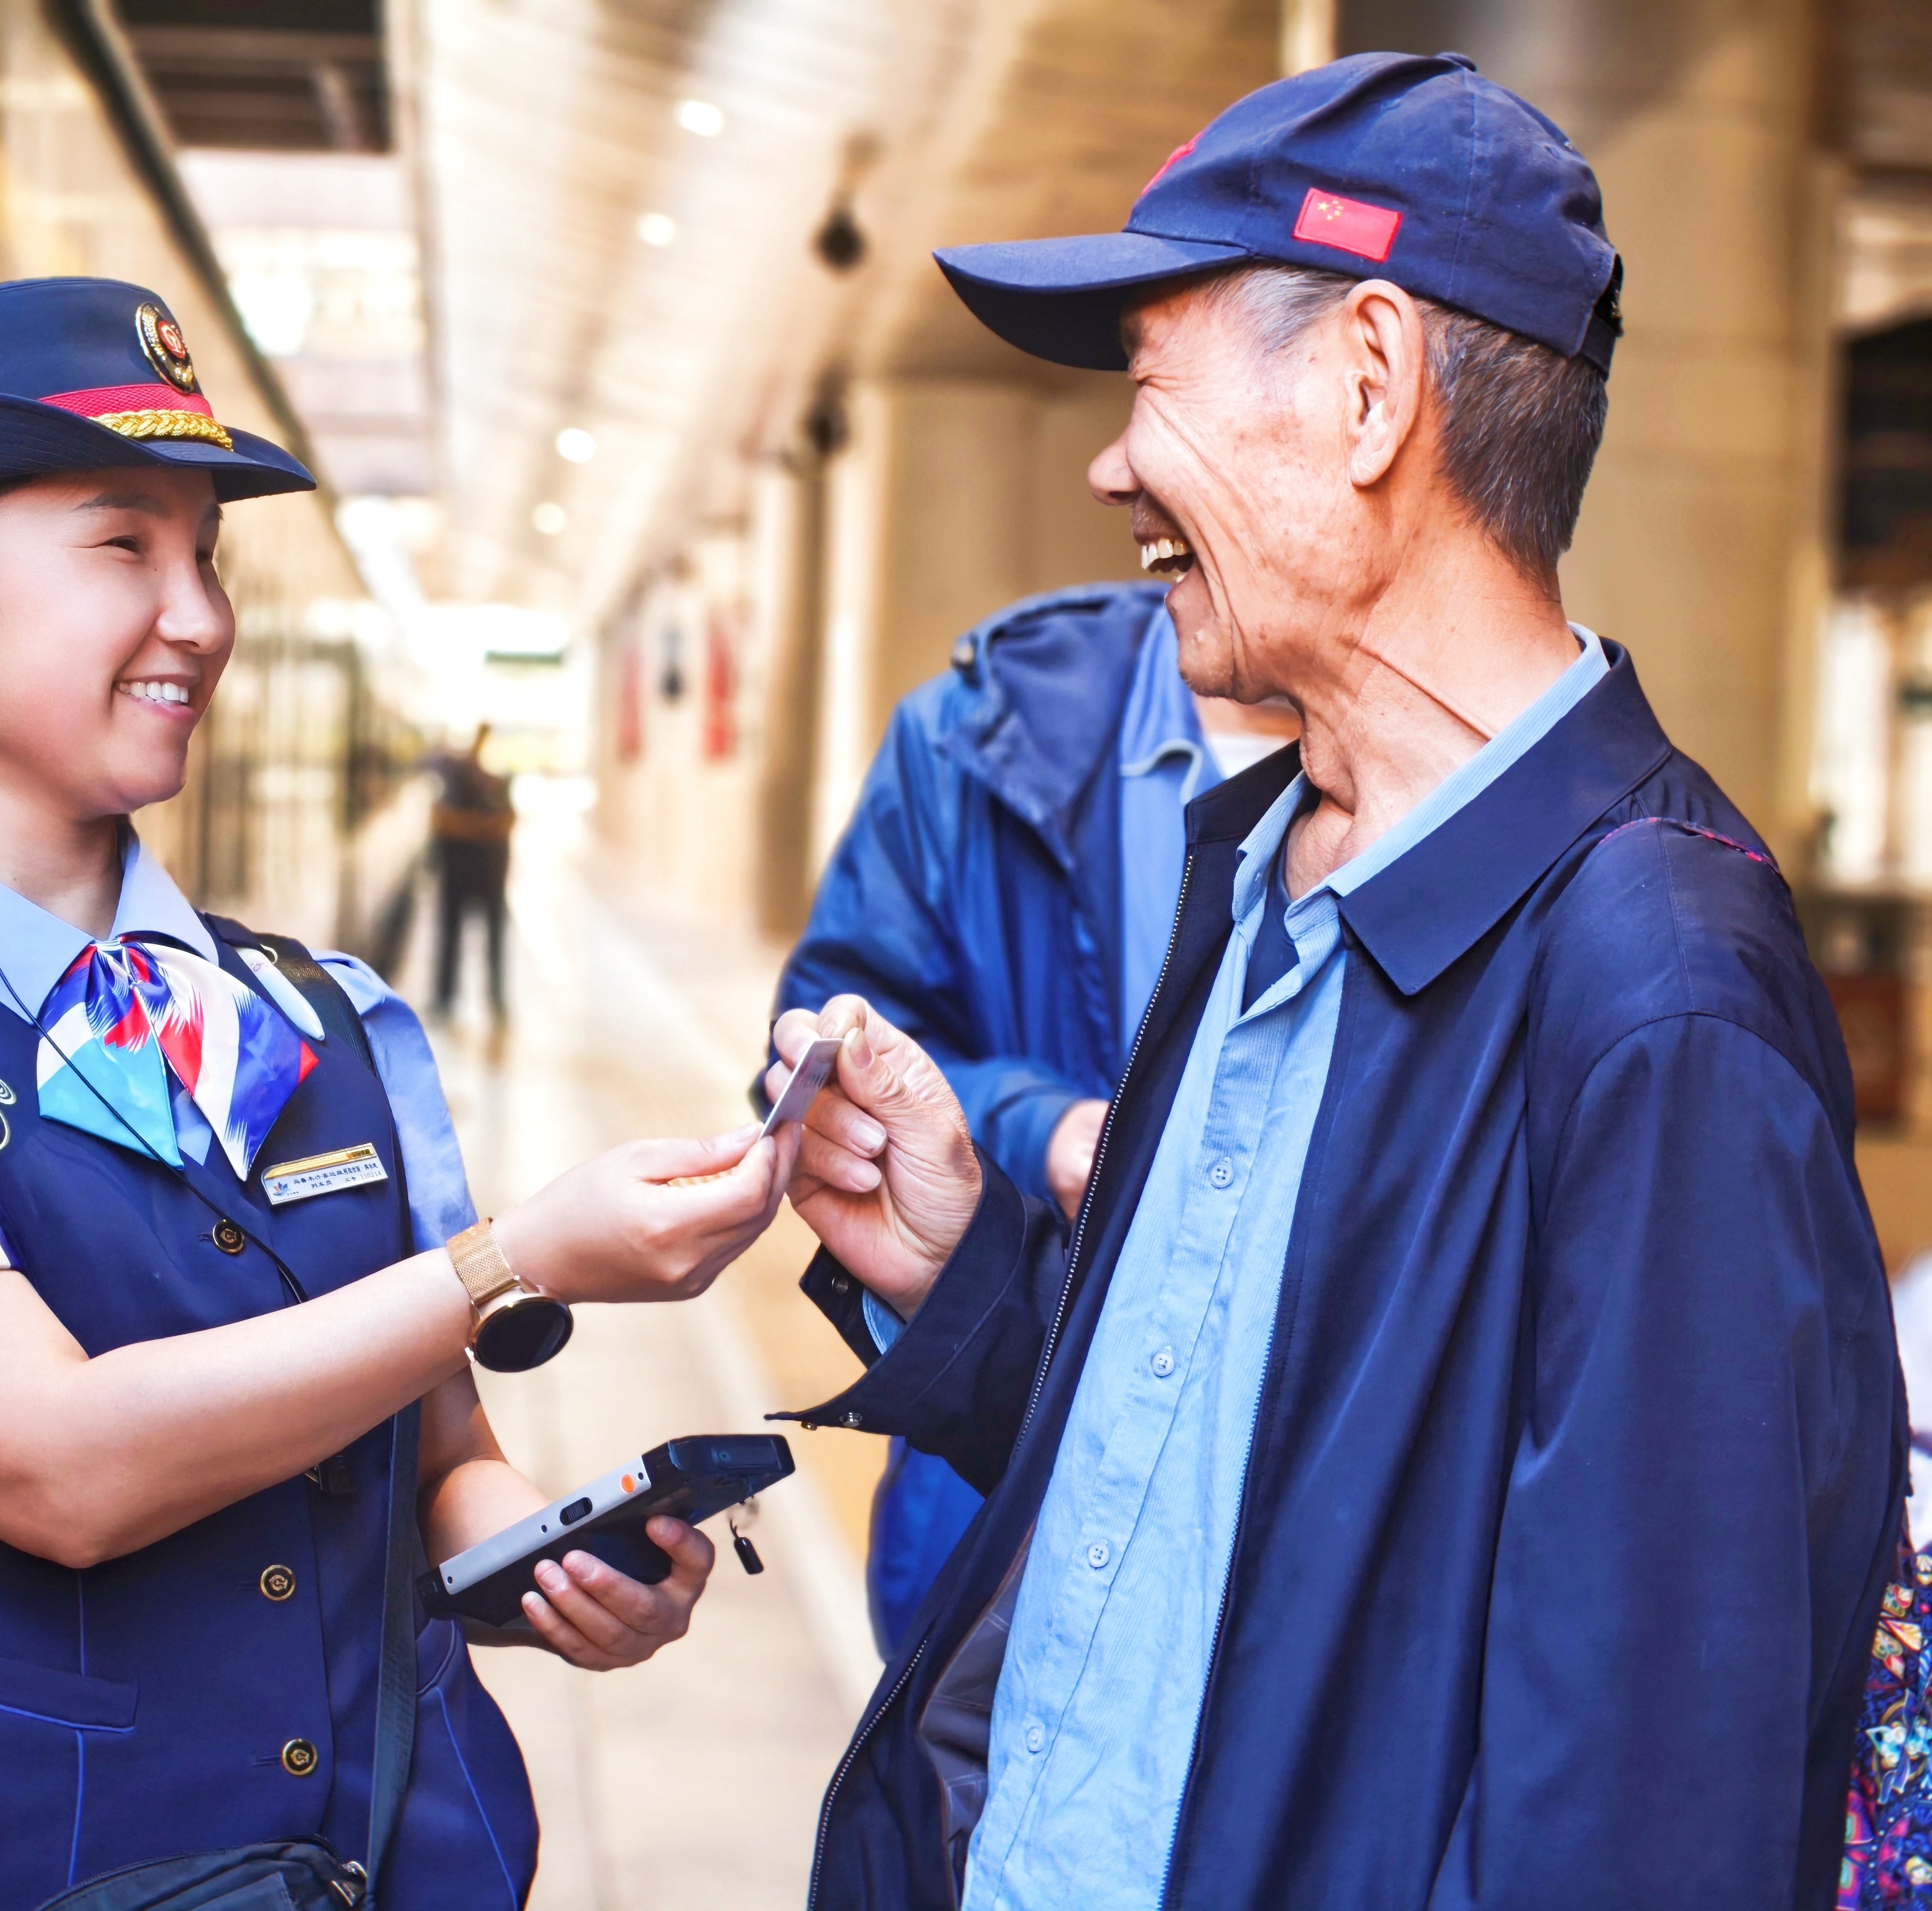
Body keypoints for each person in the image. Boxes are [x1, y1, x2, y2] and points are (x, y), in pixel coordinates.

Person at [763, 54, 1905, 1910]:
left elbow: (1639, 1816)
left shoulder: (1659, 992)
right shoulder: (1262, 867)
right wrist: (972, 1269)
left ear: (1370, 387)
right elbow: (1253, 1496)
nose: (1110, 462)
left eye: (1151, 381)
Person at [0, 279, 795, 1911]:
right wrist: (511, 1261)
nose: (200, 620)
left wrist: (544, 1558)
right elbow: (56, 1468)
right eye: (124, 546)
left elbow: (435, 1450)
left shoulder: (334, 1017)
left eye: (209, 556)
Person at [762, 585, 1293, 1656]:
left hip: (1280, 1510)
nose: (1118, 491)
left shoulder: (1452, 762)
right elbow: (826, 1048)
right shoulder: (970, 735)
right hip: (997, 1507)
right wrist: (1041, 1130)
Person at [429, 722, 515, 1018]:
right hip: (458, 874)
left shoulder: (501, 783)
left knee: (494, 943)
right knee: (450, 937)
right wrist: (482, 828)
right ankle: (444, 999)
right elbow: (443, 819)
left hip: (491, 876)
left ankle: (496, 1000)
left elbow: (507, 823)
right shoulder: (458, 778)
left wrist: (467, 826)